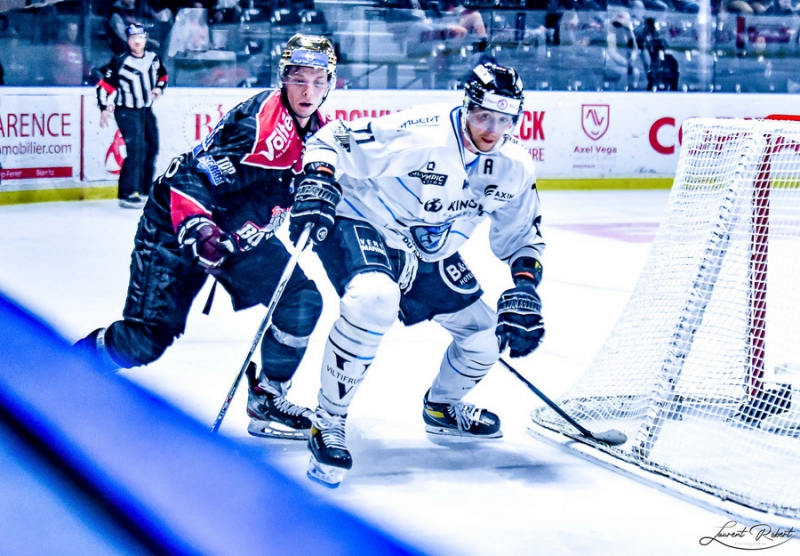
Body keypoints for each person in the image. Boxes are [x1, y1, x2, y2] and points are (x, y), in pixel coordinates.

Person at [289, 61, 546, 487]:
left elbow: (522, 236)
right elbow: (332, 138)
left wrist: (525, 288)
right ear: (467, 107)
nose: (491, 129)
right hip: (362, 219)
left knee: (484, 332)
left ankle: (442, 407)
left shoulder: (514, 166)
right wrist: (318, 177)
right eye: (483, 116)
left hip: (425, 249)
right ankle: (328, 421)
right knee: (374, 298)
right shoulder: (421, 130)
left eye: (504, 120)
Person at [76, 34, 338, 440]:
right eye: (298, 78)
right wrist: (199, 229)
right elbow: (190, 176)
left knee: (300, 300)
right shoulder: (257, 128)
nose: (308, 90)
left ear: (331, 84)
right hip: (176, 225)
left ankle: (267, 397)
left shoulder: (318, 132)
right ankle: (65, 371)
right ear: (283, 77)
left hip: (236, 233)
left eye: (318, 80)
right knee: (145, 341)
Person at [97, 23, 167, 209]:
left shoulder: (153, 59)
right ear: (128, 40)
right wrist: (104, 108)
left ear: (145, 38)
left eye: (140, 37)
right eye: (133, 38)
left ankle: (145, 190)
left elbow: (163, 77)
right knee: (136, 149)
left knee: (152, 147)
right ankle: (127, 193)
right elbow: (104, 87)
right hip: (126, 110)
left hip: (145, 110)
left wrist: (158, 90)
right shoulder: (120, 61)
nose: (137, 41)